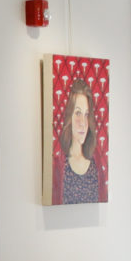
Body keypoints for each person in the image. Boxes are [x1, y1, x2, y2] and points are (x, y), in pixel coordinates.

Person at [55, 76, 103, 204]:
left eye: (86, 114)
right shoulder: (59, 164)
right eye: (77, 113)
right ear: (69, 116)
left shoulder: (96, 163)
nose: (83, 122)